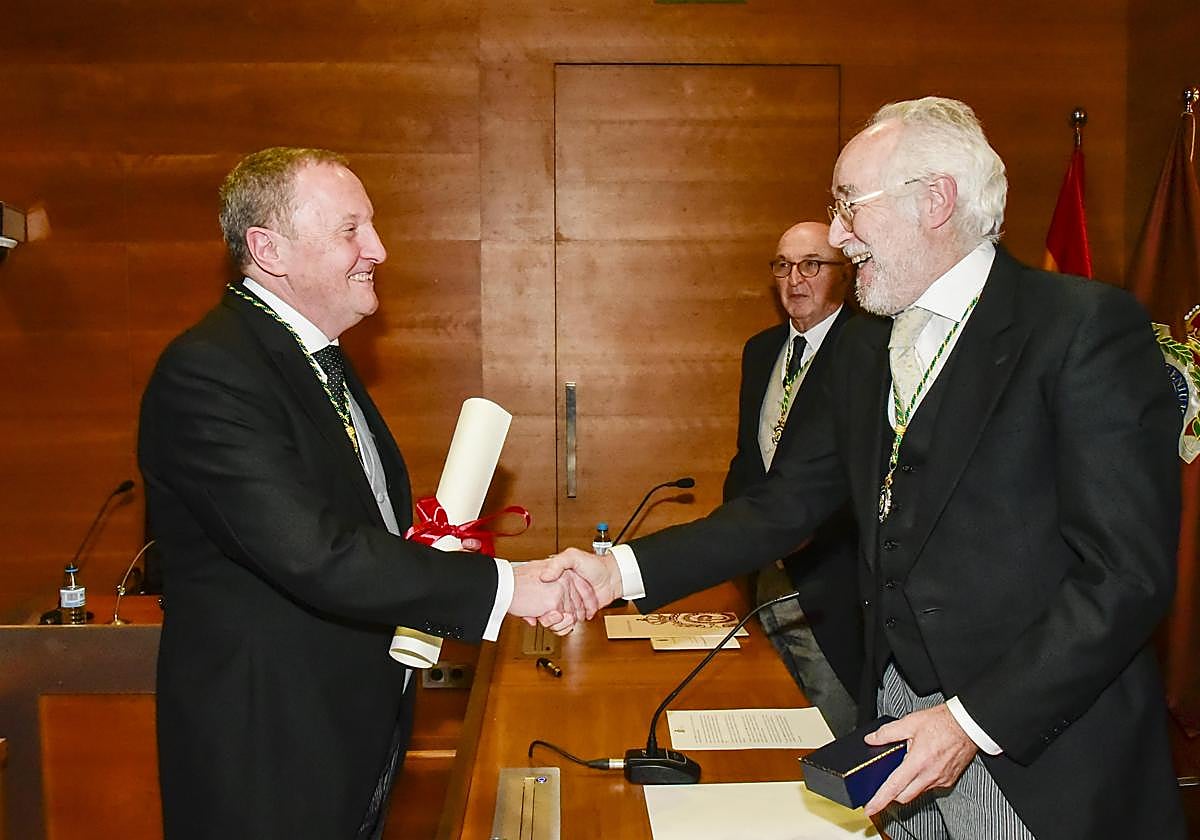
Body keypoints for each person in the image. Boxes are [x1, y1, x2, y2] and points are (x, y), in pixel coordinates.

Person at [544, 97, 1185, 840]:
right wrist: (615, 572)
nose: (839, 235)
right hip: (893, 741)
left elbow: (1126, 574)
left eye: (849, 206)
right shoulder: (860, 348)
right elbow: (783, 507)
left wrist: (969, 723)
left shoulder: (1081, 328)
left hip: (1039, 759)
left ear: (936, 199)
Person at [138, 147, 593, 840]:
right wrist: (513, 587)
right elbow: (315, 553)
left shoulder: (317, 359)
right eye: (351, 230)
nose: (378, 248)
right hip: (268, 756)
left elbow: (350, 529)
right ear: (269, 249)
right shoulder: (209, 372)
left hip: (348, 730)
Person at [724, 220, 861, 736]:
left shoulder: (868, 351)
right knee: (772, 717)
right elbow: (747, 460)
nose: (794, 280)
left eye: (812, 265)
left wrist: (802, 534)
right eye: (783, 266)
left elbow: (866, 476)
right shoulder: (760, 350)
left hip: (832, 582)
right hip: (764, 577)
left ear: (843, 275)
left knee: (834, 727)